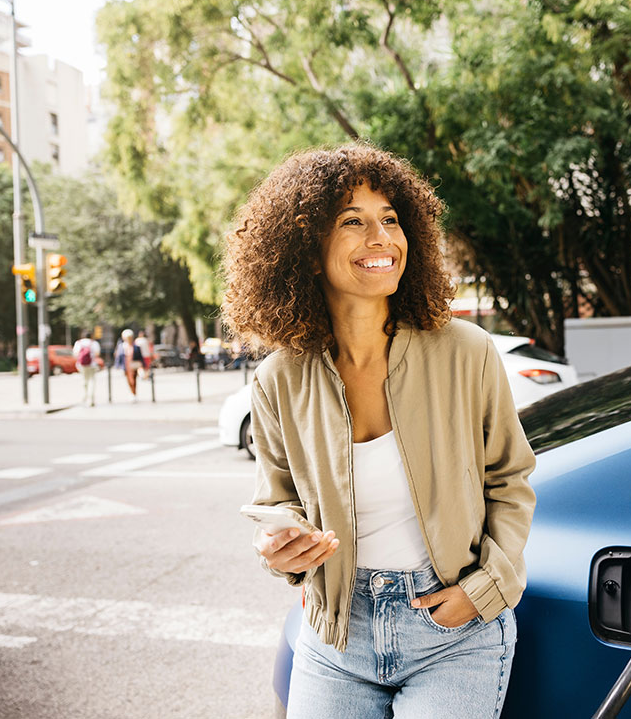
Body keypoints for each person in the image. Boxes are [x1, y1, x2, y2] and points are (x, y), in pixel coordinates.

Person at [222, 144, 536, 719]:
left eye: (390, 219)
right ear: (307, 254)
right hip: (338, 632)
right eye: (352, 221)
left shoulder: (465, 351)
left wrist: (485, 588)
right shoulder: (278, 379)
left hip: (452, 632)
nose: (381, 237)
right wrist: (282, 549)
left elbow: (511, 480)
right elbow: (280, 507)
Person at [113, 328, 143, 402]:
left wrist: (142, 365)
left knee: (134, 380)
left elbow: (140, 356)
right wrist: (117, 366)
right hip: (126, 366)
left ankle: (134, 393)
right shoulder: (122, 346)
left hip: (133, 365)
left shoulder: (136, 346)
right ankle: (132, 393)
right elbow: (118, 357)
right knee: (129, 380)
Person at [72, 330, 101, 407]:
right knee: (92, 381)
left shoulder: (78, 343)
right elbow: (97, 353)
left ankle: (85, 395)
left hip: (81, 365)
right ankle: (91, 399)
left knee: (84, 380)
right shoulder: (94, 343)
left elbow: (75, 354)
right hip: (92, 365)